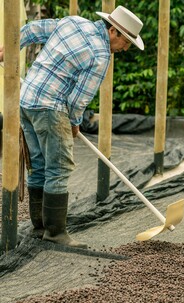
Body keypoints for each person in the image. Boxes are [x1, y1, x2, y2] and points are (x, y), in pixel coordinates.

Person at [0, 6, 144, 248]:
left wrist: (8, 50)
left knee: (37, 165)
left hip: (27, 101)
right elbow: (79, 99)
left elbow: (34, 30)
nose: (125, 48)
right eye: (126, 42)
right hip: (50, 108)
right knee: (58, 167)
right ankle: (55, 233)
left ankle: (39, 227)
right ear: (113, 31)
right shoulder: (100, 56)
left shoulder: (74, 22)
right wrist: (75, 123)